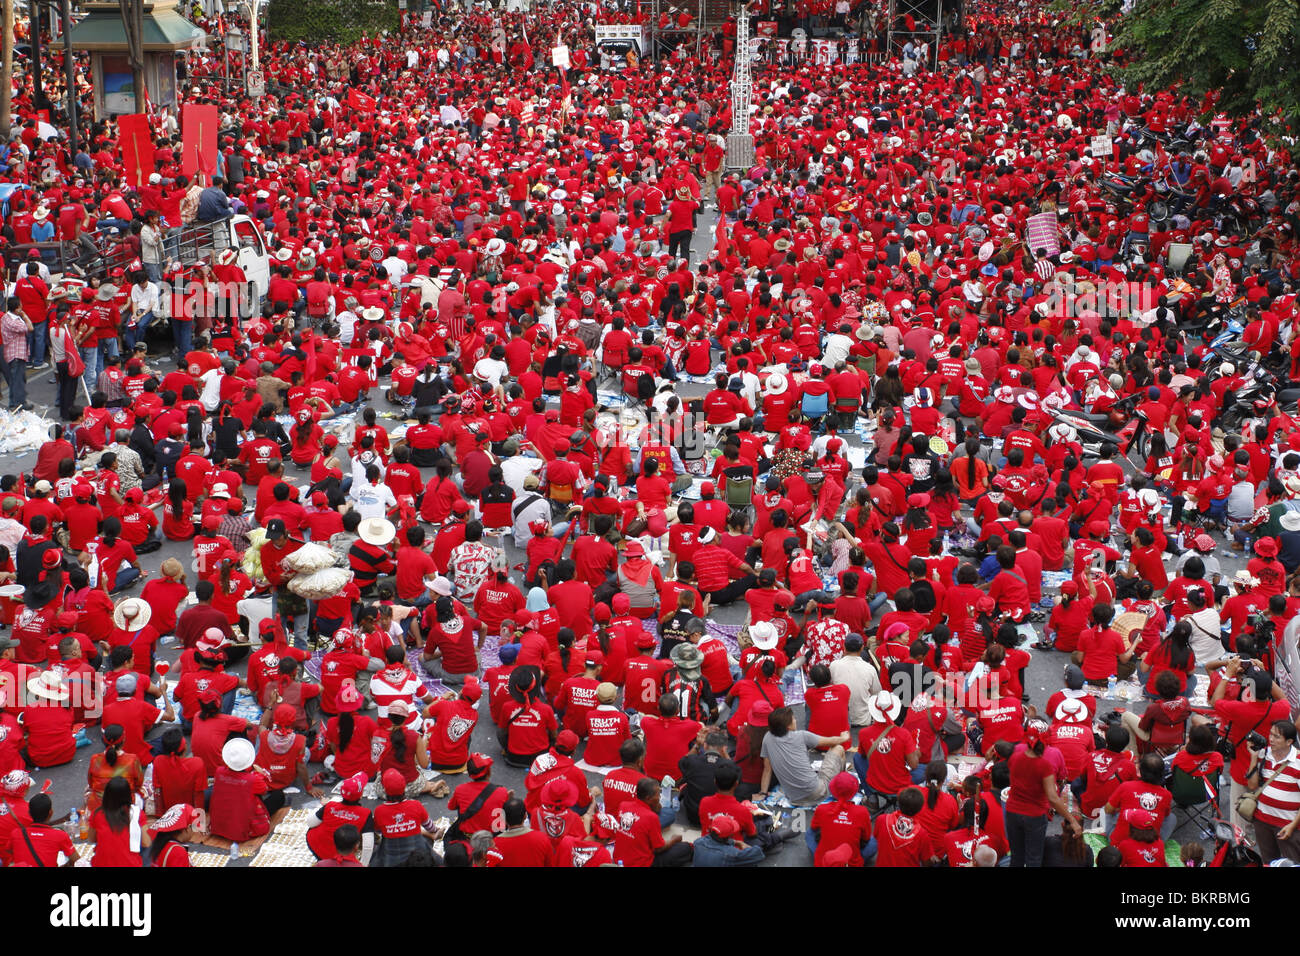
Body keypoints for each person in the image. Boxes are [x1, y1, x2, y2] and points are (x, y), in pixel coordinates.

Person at [1005, 726, 1082, 867]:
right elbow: (1052, 798)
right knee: (1033, 859)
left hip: (1012, 812)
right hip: (1034, 815)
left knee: (1016, 857)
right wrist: (1072, 820)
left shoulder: (1014, 758)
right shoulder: (1044, 765)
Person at [756, 706, 849, 805]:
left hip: (794, 799)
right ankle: (844, 787)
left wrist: (763, 792)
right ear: (788, 726)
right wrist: (844, 737)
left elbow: (767, 769)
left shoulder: (767, 737)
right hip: (817, 793)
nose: (796, 721)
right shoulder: (802, 736)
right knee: (838, 748)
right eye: (794, 719)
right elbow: (832, 742)